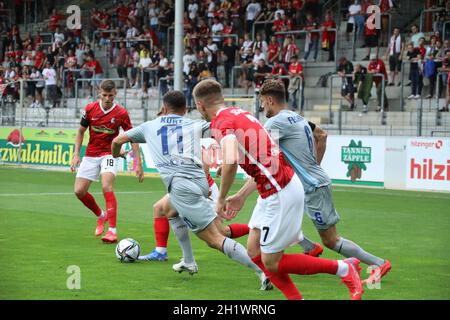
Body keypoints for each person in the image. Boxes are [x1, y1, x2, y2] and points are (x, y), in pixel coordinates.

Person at [193, 79, 364, 300]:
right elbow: (261, 161)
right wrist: (241, 196)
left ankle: (343, 268)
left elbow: (230, 160)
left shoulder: (220, 123)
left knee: (271, 262)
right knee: (254, 252)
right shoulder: (239, 113)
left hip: (279, 191)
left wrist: (221, 198)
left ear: (200, 104)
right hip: (273, 188)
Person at [111, 90, 272, 289]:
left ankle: (262, 272)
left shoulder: (149, 126)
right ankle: (188, 261)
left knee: (215, 238)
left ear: (163, 108)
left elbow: (116, 141)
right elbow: (223, 133)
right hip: (201, 183)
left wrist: (117, 155)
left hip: (181, 187)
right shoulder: (195, 124)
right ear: (186, 109)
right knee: (166, 209)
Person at [259, 79, 391, 286]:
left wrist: (310, 172)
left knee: (331, 240)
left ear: (269, 99)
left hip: (312, 188)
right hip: (304, 186)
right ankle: (288, 261)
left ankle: (379, 263)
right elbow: (322, 134)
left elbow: (266, 155)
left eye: (262, 103)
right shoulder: (296, 117)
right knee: (276, 218)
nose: (262, 107)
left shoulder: (274, 123)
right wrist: (314, 165)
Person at [70, 80, 144, 243]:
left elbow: (133, 137)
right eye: (104, 95)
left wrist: (138, 163)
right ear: (99, 93)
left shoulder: (121, 113)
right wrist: (76, 154)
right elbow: (81, 132)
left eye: (110, 95)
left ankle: (112, 231)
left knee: (106, 186)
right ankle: (101, 215)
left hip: (109, 154)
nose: (107, 98)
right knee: (79, 191)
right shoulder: (90, 109)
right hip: (90, 154)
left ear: (115, 94)